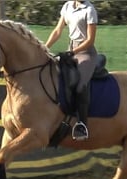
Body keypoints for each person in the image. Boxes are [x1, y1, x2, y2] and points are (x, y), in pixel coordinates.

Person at [45, 0, 98, 141]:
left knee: (80, 86)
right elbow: (57, 31)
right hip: (71, 50)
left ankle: (81, 124)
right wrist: (44, 47)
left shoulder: (89, 10)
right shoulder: (67, 6)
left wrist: (73, 52)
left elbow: (90, 40)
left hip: (86, 53)